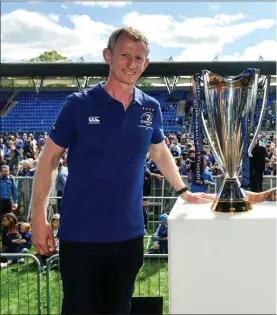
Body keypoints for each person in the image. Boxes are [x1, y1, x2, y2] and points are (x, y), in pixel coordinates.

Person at [30, 26, 269, 315]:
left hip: (129, 236)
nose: (132, 64)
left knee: (119, 309)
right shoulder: (78, 105)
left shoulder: (150, 107)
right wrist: (39, 218)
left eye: (139, 57)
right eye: (125, 55)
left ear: (146, 63)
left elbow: (159, 149)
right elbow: (49, 160)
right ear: (108, 55)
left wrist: (183, 190)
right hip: (81, 236)